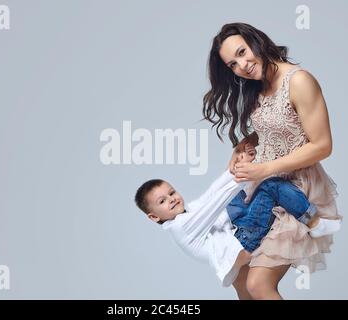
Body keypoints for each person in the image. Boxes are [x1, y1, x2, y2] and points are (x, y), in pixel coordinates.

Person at [202, 22, 342, 299]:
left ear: (256, 41)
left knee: (259, 284)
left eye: (243, 52)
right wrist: (243, 144)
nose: (242, 65)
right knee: (240, 276)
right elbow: (276, 124)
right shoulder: (258, 86)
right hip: (263, 187)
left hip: (296, 192)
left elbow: (322, 145)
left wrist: (264, 169)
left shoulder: (299, 80)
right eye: (232, 64)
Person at [134, 145, 340, 299]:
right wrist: (245, 173)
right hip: (244, 240)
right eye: (162, 201)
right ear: (154, 217)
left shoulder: (187, 212)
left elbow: (211, 194)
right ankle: (313, 222)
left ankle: (245, 170)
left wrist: (234, 168)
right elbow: (215, 202)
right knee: (270, 185)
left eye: (171, 192)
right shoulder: (181, 226)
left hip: (238, 234)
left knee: (234, 197)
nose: (172, 199)